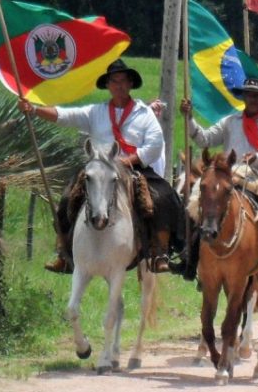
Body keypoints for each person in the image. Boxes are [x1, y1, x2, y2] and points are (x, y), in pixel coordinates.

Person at [18, 59, 183, 274]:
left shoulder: (145, 114)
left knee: (165, 195)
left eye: (123, 81)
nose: (119, 86)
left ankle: (160, 251)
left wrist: (129, 160)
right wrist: (34, 110)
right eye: (114, 82)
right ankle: (64, 253)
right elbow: (65, 116)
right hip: (99, 169)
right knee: (69, 197)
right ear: (108, 85)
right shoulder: (95, 111)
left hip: (134, 168)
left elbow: (154, 144)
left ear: (130, 83)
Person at [180, 77, 258, 273]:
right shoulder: (230, 121)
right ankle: (190, 254)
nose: (252, 99)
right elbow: (204, 139)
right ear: (243, 97)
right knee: (196, 199)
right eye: (249, 94)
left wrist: (257, 158)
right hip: (230, 173)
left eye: (257, 95)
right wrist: (189, 118)